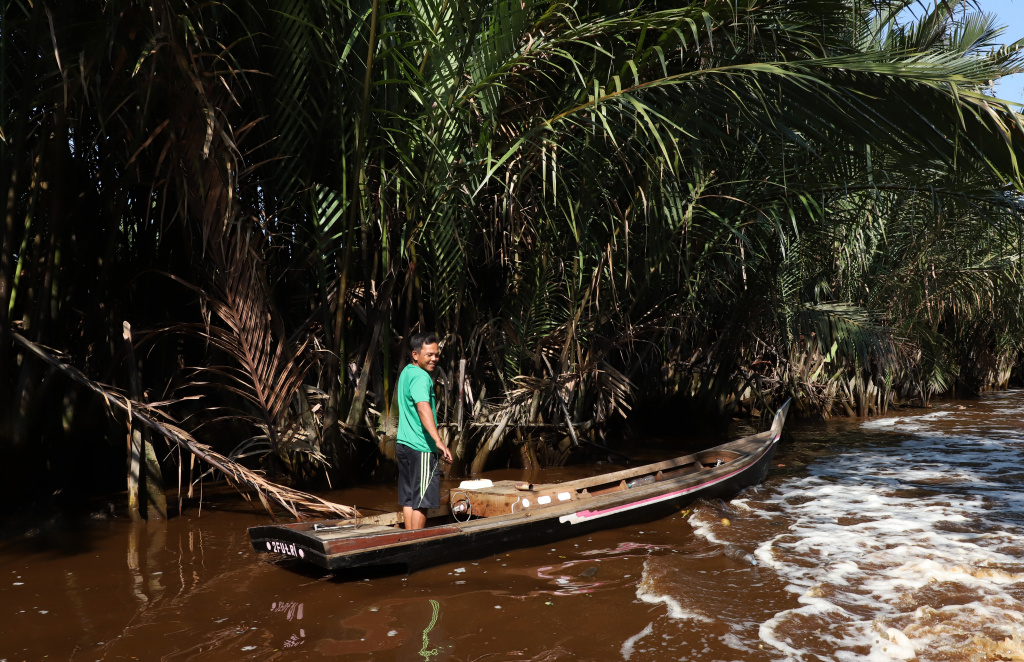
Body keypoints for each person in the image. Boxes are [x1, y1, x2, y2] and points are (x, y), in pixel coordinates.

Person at [396, 332, 453, 530]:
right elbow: (422, 407)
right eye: (428, 354)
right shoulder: (421, 378)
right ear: (415, 354)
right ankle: (414, 543)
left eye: (436, 354)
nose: (434, 359)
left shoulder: (406, 373)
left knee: (410, 498)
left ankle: (408, 541)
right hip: (421, 447)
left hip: (403, 445)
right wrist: (438, 441)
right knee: (422, 500)